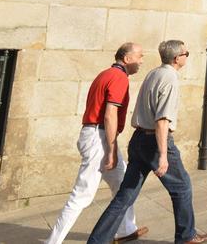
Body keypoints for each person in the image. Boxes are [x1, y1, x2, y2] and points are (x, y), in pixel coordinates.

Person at [87, 40, 207, 244]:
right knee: (182, 187)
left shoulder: (154, 73)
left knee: (125, 195)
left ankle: (97, 240)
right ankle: (186, 236)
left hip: (139, 140)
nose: (187, 56)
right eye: (186, 53)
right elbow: (162, 121)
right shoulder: (170, 79)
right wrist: (163, 155)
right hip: (155, 141)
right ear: (177, 57)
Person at [46, 43, 148, 244]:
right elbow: (110, 115)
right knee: (82, 195)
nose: (142, 61)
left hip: (98, 135)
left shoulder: (106, 74)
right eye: (140, 56)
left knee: (123, 184)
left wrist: (112, 146)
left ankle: (127, 229)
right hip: (98, 138)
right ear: (127, 59)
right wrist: (111, 149)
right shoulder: (118, 77)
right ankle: (53, 242)